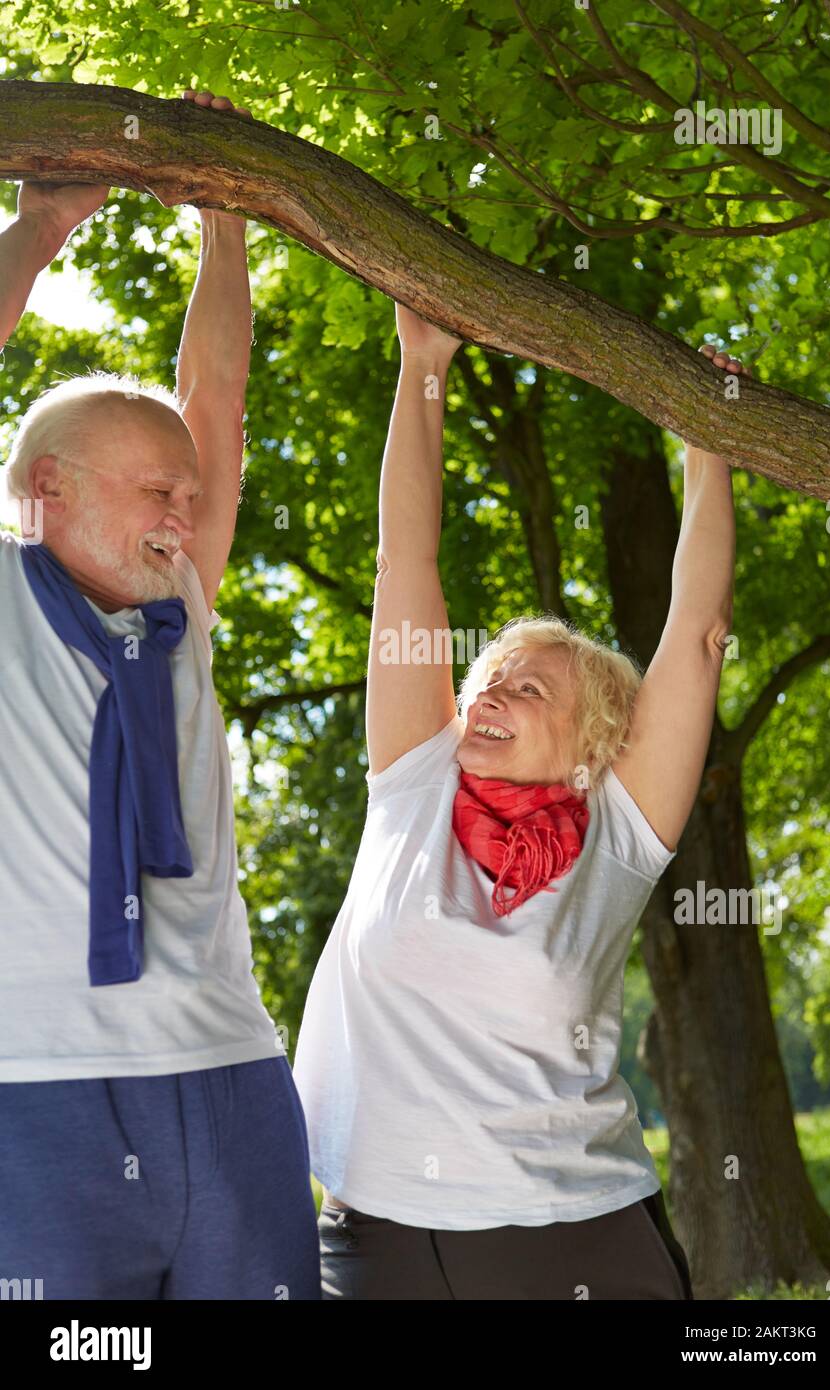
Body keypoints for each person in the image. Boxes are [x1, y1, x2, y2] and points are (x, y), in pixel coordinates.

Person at [292, 303, 745, 1300]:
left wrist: (706, 452)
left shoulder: (616, 834)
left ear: (591, 750)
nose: (491, 691)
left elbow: (697, 632)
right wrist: (423, 365)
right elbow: (403, 561)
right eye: (488, 677)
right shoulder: (415, 780)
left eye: (529, 688)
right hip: (380, 1235)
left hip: (573, 1237)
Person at [0, 89, 319, 1300]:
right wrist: (38, 231)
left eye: (188, 497)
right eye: (153, 493)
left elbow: (217, 409)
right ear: (46, 490)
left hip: (229, 1073)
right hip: (36, 1087)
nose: (186, 515)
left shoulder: (179, 604)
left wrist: (224, 218)